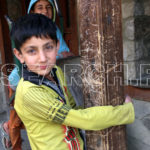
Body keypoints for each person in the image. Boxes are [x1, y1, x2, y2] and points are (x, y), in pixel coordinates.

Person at [11, 13, 134, 150]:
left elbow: (73, 108)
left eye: (48, 47)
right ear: (19, 55)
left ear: (57, 46)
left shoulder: (56, 71)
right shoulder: (30, 92)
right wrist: (124, 112)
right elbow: (81, 119)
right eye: (32, 51)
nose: (43, 58)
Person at [0, 0, 73, 149]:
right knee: (16, 121)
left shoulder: (53, 30)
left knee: (35, 121)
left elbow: (64, 52)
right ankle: (13, 141)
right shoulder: (27, 33)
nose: (45, 11)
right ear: (32, 11)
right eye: (40, 7)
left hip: (43, 81)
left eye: (48, 8)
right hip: (18, 82)